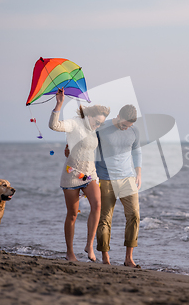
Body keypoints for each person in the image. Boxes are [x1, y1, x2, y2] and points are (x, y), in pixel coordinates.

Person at [49, 88, 110, 262]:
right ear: (89, 116)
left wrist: (96, 177)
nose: (98, 126)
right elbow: (54, 126)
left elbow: (90, 154)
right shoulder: (75, 123)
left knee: (97, 205)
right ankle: (70, 252)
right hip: (72, 174)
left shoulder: (93, 129)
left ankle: (89, 245)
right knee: (72, 215)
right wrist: (59, 104)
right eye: (97, 122)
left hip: (90, 175)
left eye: (100, 124)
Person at [95, 105, 142, 268]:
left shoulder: (134, 131)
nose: (125, 128)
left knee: (134, 215)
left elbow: (136, 152)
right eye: (124, 124)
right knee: (105, 219)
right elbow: (90, 150)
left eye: (128, 126)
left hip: (127, 178)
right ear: (118, 116)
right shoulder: (102, 128)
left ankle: (129, 258)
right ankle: (105, 256)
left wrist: (138, 173)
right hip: (105, 178)